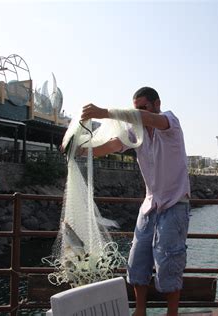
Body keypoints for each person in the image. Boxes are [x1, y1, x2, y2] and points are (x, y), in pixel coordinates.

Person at [80, 87, 191, 316]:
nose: (139, 112)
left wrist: (104, 112)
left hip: (174, 204)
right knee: (137, 261)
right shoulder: (135, 132)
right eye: (136, 108)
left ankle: (172, 314)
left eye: (143, 106)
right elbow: (112, 145)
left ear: (156, 104)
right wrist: (80, 152)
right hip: (149, 205)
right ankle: (140, 312)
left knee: (169, 262)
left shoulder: (169, 122)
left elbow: (148, 119)